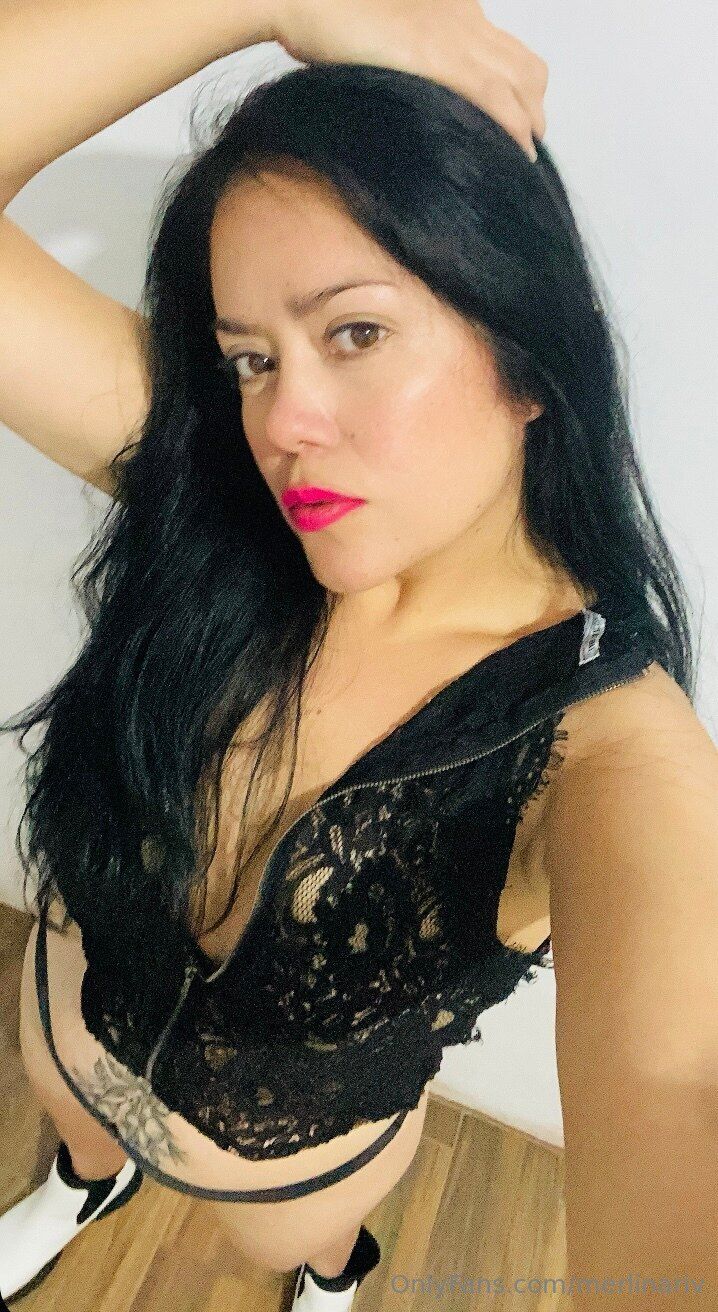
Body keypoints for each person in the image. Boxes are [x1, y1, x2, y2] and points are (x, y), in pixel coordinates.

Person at [0, 1, 716, 1310]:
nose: (285, 421)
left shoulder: (603, 751)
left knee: (303, 1254)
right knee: (78, 1134)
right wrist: (261, 1)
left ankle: (335, 1278)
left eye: (355, 333)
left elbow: (684, 1103)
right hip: (64, 1043)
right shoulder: (212, 499)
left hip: (285, 1195)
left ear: (529, 355)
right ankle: (81, 1184)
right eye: (247, 358)